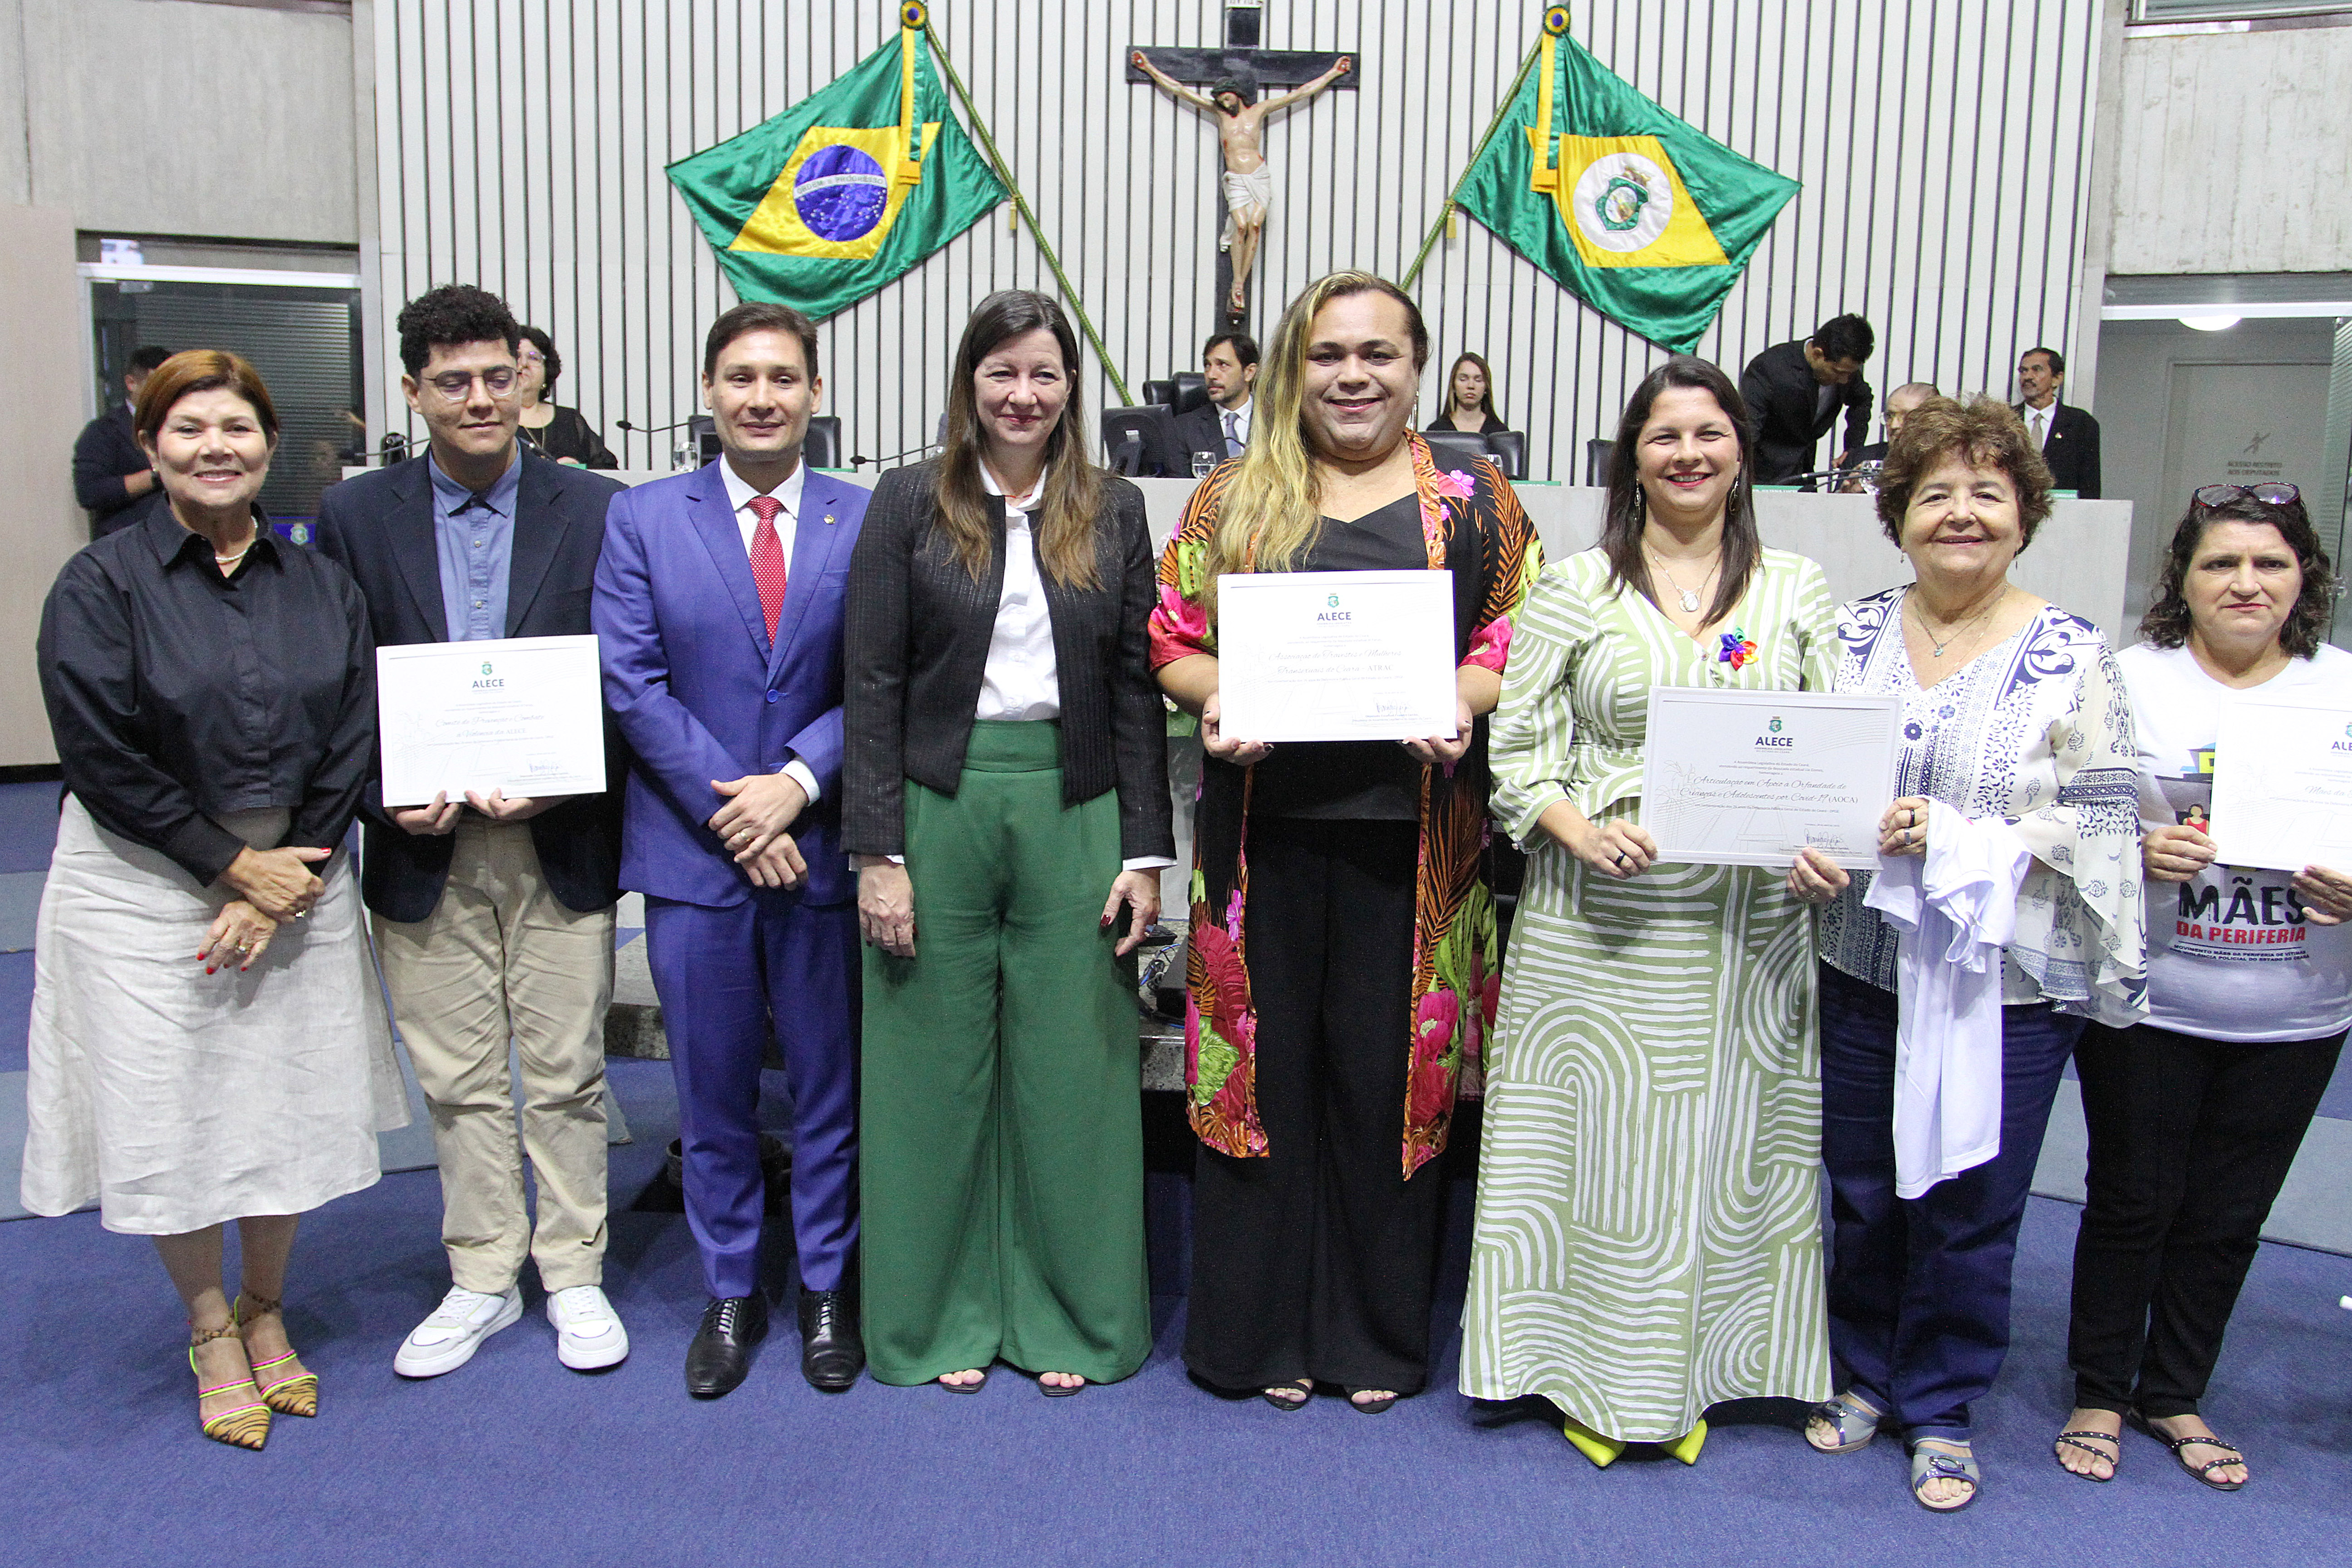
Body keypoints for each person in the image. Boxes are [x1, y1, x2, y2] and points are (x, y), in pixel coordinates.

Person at [1153, 271, 1539, 1414]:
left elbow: (1514, 632)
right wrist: (1217, 698)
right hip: (1259, 843)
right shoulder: (1233, 496)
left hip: (1414, 848)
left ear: (1416, 369)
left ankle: (1370, 1337)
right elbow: (1171, 636)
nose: (1352, 375)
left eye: (1378, 353)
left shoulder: (1474, 497)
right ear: (1293, 366)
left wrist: (1462, 697)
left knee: (1386, 1084)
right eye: (1327, 354)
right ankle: (1255, 1333)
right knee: (1260, 1081)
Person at [23, 350, 406, 1450]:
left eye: (236, 428)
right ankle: (208, 1326)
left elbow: (351, 735)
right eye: (188, 429)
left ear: (269, 446)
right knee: (171, 1110)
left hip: (297, 875)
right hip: (144, 886)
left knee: (282, 1101)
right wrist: (230, 868)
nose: (215, 448)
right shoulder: (99, 584)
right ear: (150, 446)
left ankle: (267, 1303)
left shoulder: (322, 584)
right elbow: (100, 753)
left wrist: (285, 874)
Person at [1458, 356, 1834, 1464]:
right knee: (1595, 1152)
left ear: (1742, 452)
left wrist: (1827, 848)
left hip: (1744, 929)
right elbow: (1517, 748)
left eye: (1709, 433)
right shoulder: (1573, 586)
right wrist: (1576, 829)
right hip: (1598, 919)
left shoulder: (1796, 589)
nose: (1688, 454)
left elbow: (1828, 749)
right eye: (1664, 435)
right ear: (1633, 458)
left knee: (1727, 1150)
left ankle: (1708, 1371)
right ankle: (1573, 1365)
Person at [1798, 395, 2146, 1513]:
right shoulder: (1844, 635)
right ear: (1897, 515)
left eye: (1986, 494)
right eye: (1934, 493)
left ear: (2024, 515)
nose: (1960, 514)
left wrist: (1962, 838)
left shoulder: (2074, 653)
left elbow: (2106, 816)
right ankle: (1865, 1369)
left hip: (2011, 979)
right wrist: (1799, 845)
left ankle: (1941, 1401)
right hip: (1861, 957)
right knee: (1862, 1184)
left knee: (1974, 1198)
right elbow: (1794, 776)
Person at [846, 289, 1171, 1396]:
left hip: (1074, 804)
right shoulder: (908, 501)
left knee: (1074, 1072)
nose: (1022, 394)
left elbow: (1134, 688)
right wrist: (877, 851)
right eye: (1001, 373)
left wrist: (1145, 851)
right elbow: (871, 681)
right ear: (969, 383)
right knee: (928, 1071)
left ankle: (1068, 1317)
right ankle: (938, 1317)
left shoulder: (1115, 508)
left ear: (1071, 386)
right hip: (937, 804)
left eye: (1043, 373)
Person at [317, 285, 631, 1380]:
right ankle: (484, 1272)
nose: (481, 399)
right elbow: (336, 683)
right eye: (453, 382)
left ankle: (575, 1268)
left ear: (525, 379)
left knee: (566, 1068)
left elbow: (629, 670)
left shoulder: (595, 506)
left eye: (499, 376)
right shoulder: (357, 516)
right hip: (422, 839)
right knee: (457, 1078)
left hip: (560, 833)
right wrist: (379, 792)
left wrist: (563, 774)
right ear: (414, 392)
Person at [594, 301, 869, 1398]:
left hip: (825, 850)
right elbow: (632, 682)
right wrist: (737, 813)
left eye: (783, 377)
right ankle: (729, 1286)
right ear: (709, 391)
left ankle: (826, 1285)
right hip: (695, 858)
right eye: (742, 377)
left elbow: (885, 676)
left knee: (828, 1091)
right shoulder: (642, 518)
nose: (762, 397)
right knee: (709, 1095)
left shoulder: (866, 517)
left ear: (814, 393)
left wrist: (795, 782)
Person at [2052, 482, 2348, 1491]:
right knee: (2129, 1201)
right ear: (2181, 576)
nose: (2244, 582)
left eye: (2269, 563)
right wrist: (2134, 845)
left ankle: (2173, 1391)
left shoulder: (2343, 690)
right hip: (2151, 1000)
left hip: (2299, 1012)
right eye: (2220, 562)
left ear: (2304, 578)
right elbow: (2065, 814)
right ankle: (2100, 1387)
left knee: (2228, 1216)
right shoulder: (2126, 679)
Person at [1131, 51, 1352, 314]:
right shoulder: (1219, 114)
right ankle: (1237, 280)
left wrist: (1334, 73)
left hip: (1258, 175)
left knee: (1255, 226)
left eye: (1227, 98)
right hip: (1236, 178)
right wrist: (1149, 68)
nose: (1224, 104)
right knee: (1241, 224)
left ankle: (1241, 283)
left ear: (1237, 94)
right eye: (1221, 101)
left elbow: (1299, 94)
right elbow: (1181, 90)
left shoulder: (1259, 111)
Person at [1739, 314, 1874, 484]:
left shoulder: (1845, 371)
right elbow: (1748, 429)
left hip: (1805, 470)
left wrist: (1854, 449)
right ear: (1817, 354)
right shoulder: (1769, 368)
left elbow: (1862, 400)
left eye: (1850, 374)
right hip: (1762, 474)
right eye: (1838, 372)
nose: (1844, 381)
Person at [73, 343, 174, 536]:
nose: (164, 394)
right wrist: (158, 475)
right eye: (156, 386)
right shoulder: (104, 431)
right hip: (127, 540)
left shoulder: (184, 428)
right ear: (131, 383)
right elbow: (90, 493)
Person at [515, 324, 620, 469]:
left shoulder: (569, 419)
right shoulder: (497, 419)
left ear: (547, 369)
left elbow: (608, 468)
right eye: (516, 356)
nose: (524, 364)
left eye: (533, 358)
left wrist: (577, 469)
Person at [2014, 346, 2101, 498]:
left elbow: (2090, 485)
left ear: (2057, 379)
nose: (2028, 377)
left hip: (2063, 509)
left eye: (2037, 370)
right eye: (2023, 371)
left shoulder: (2081, 424)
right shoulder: (2005, 420)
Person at [1174, 331, 1259, 461]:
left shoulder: (1276, 423)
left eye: (1223, 365)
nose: (1211, 375)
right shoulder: (1184, 428)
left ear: (1249, 372)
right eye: (1207, 365)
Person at [1427, 351, 1506, 435]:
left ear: (1486, 387)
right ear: (1453, 385)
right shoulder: (1436, 431)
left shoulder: (1500, 433)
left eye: (1478, 380)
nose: (1471, 386)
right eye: (1463, 379)